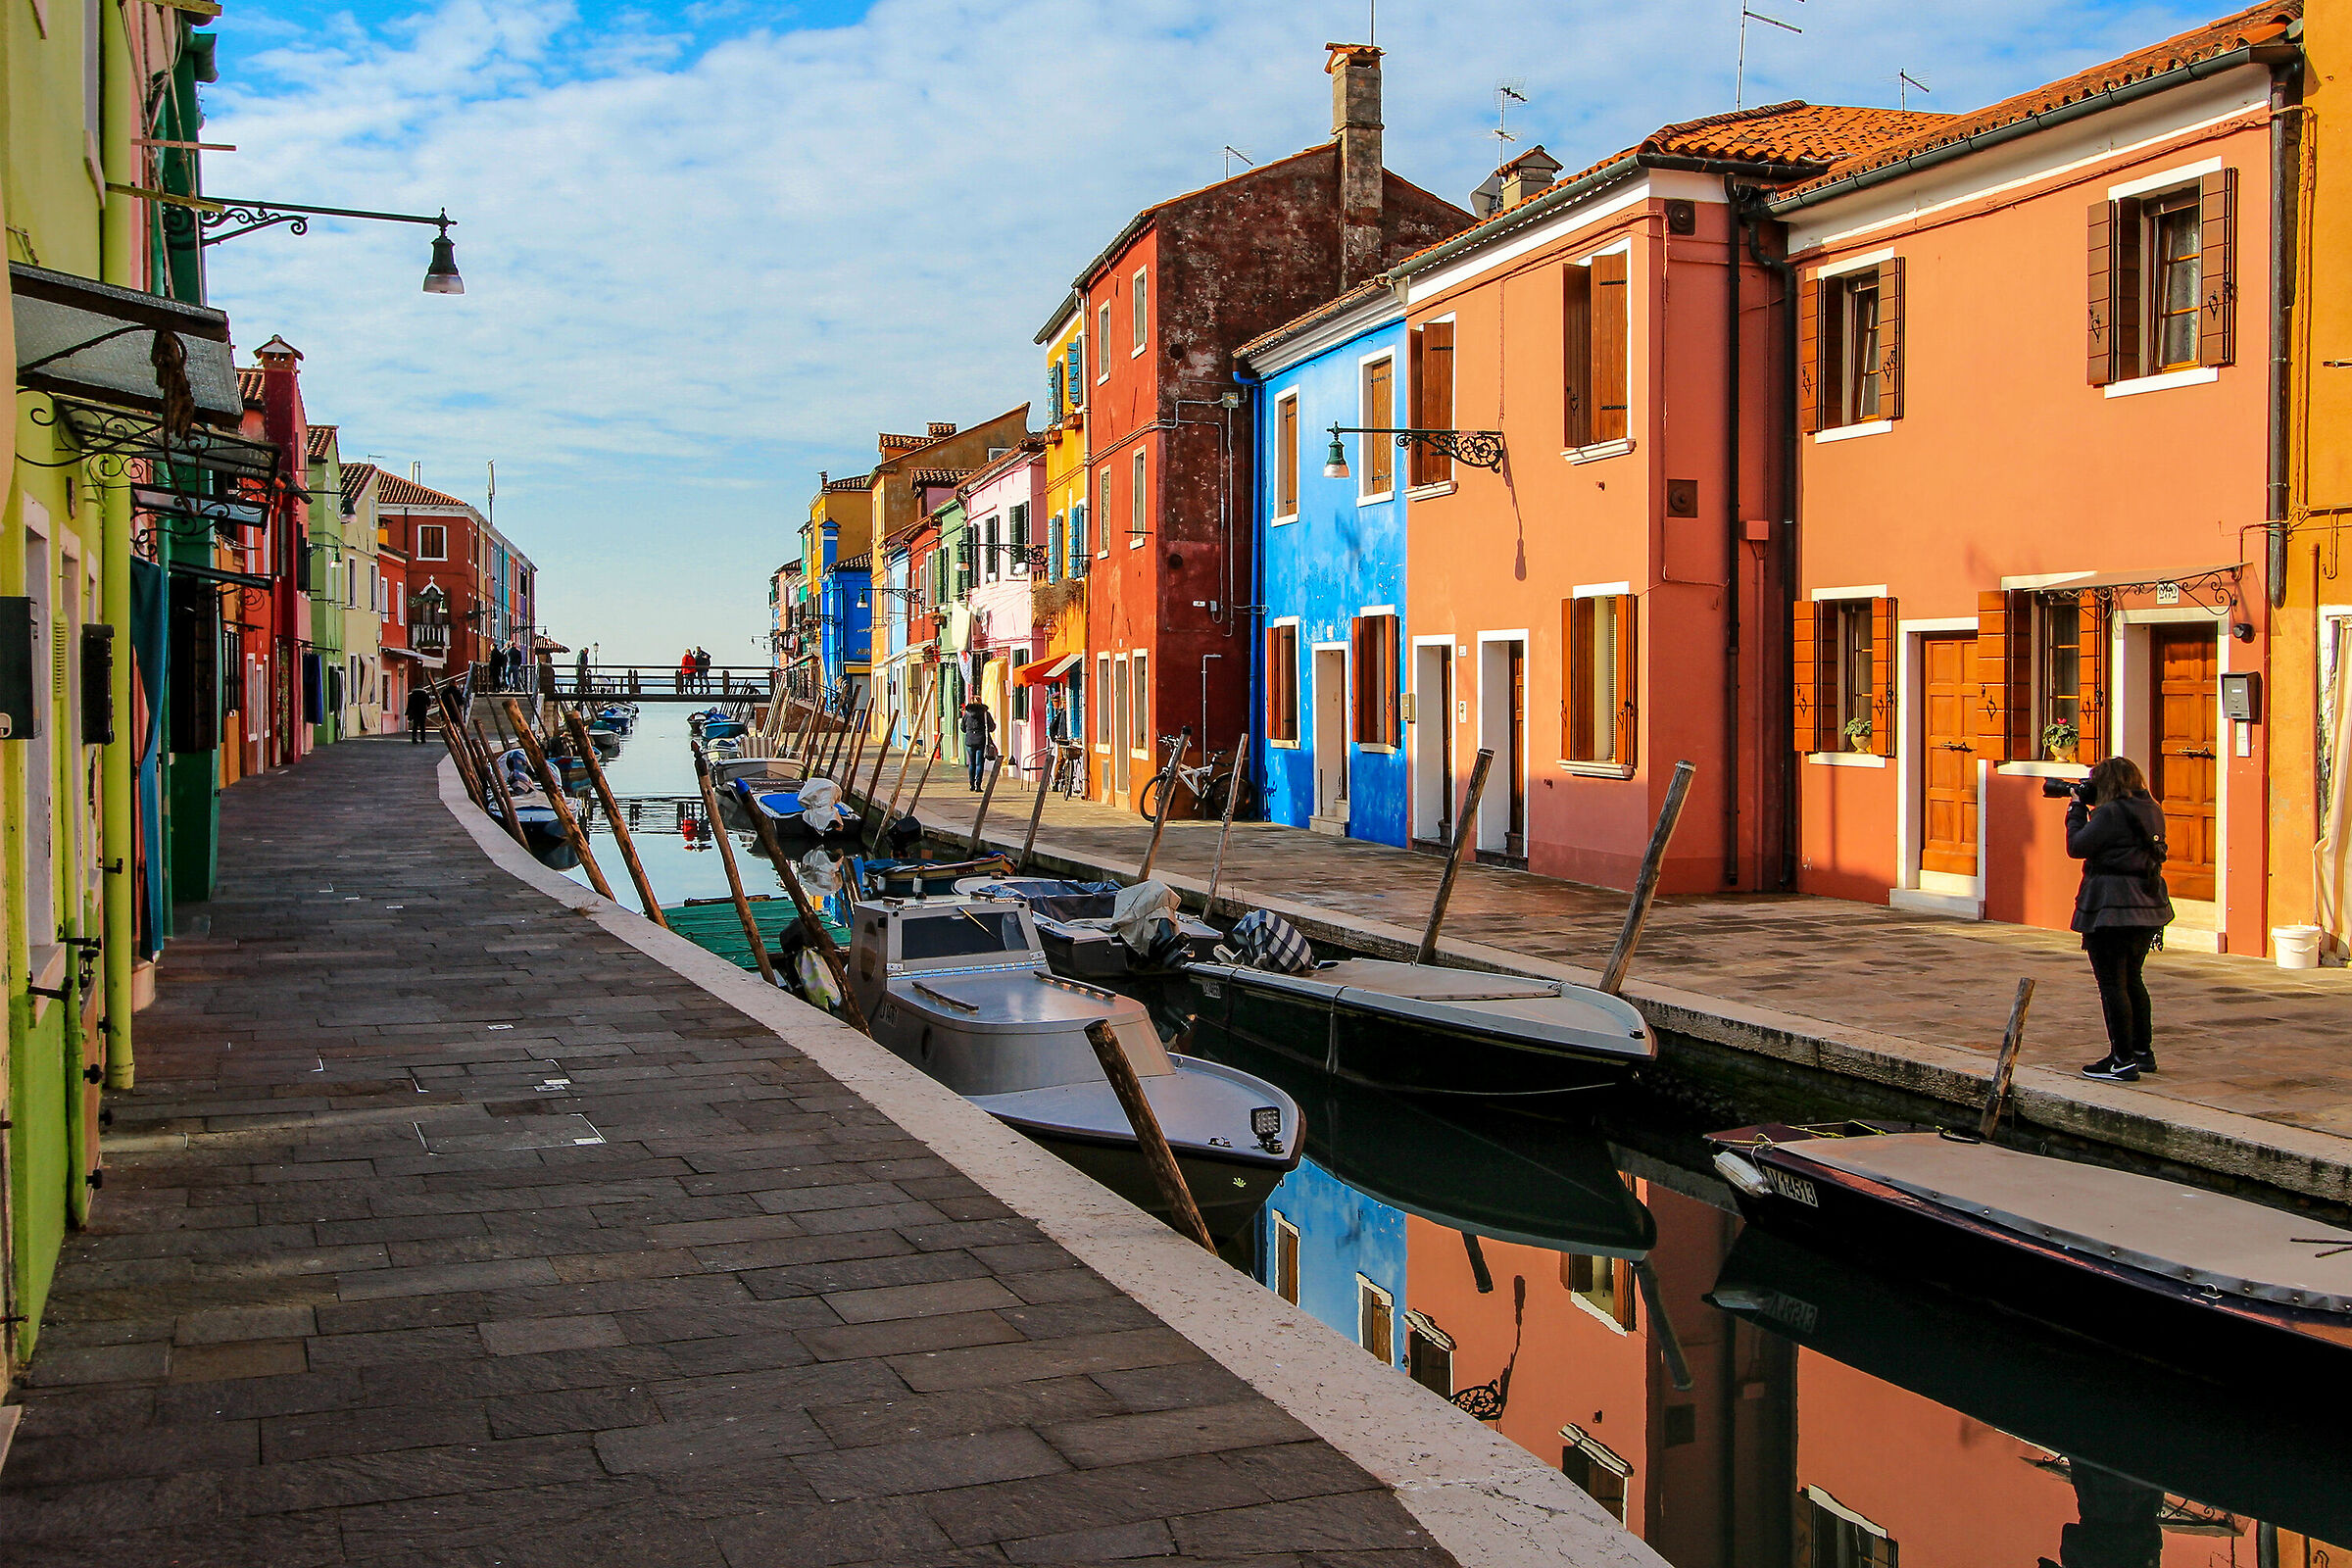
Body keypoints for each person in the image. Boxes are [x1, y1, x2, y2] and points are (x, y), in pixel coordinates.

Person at [2067, 756, 2173, 1082]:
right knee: (2132, 979)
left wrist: (2076, 810)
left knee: (2113, 984)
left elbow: (2077, 846)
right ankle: (2142, 1052)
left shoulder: (2111, 812)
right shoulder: (2151, 808)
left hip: (2111, 907)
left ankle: (2121, 1060)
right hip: (2147, 904)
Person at [958, 699, 996, 791]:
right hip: (981, 740)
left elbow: (963, 728)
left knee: (972, 763)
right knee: (980, 763)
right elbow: (992, 727)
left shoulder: (967, 714)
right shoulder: (985, 714)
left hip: (970, 740)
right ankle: (978, 785)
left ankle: (971, 784)